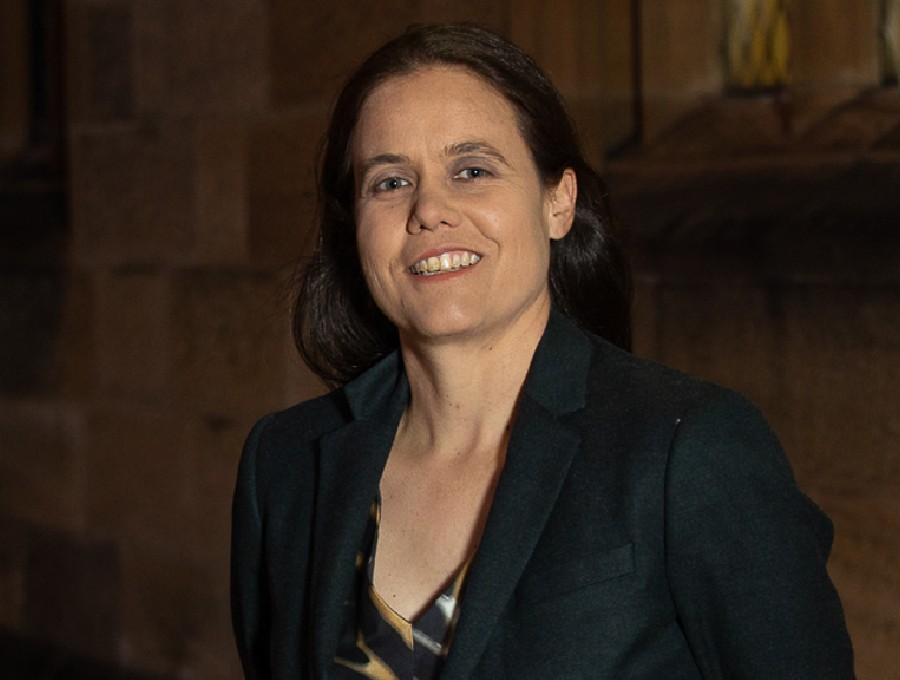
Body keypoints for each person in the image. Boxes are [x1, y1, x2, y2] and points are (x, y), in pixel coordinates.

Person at [231, 23, 854, 680]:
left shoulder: (689, 452)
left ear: (559, 201)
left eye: (471, 170)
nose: (429, 211)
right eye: (389, 182)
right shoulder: (285, 467)